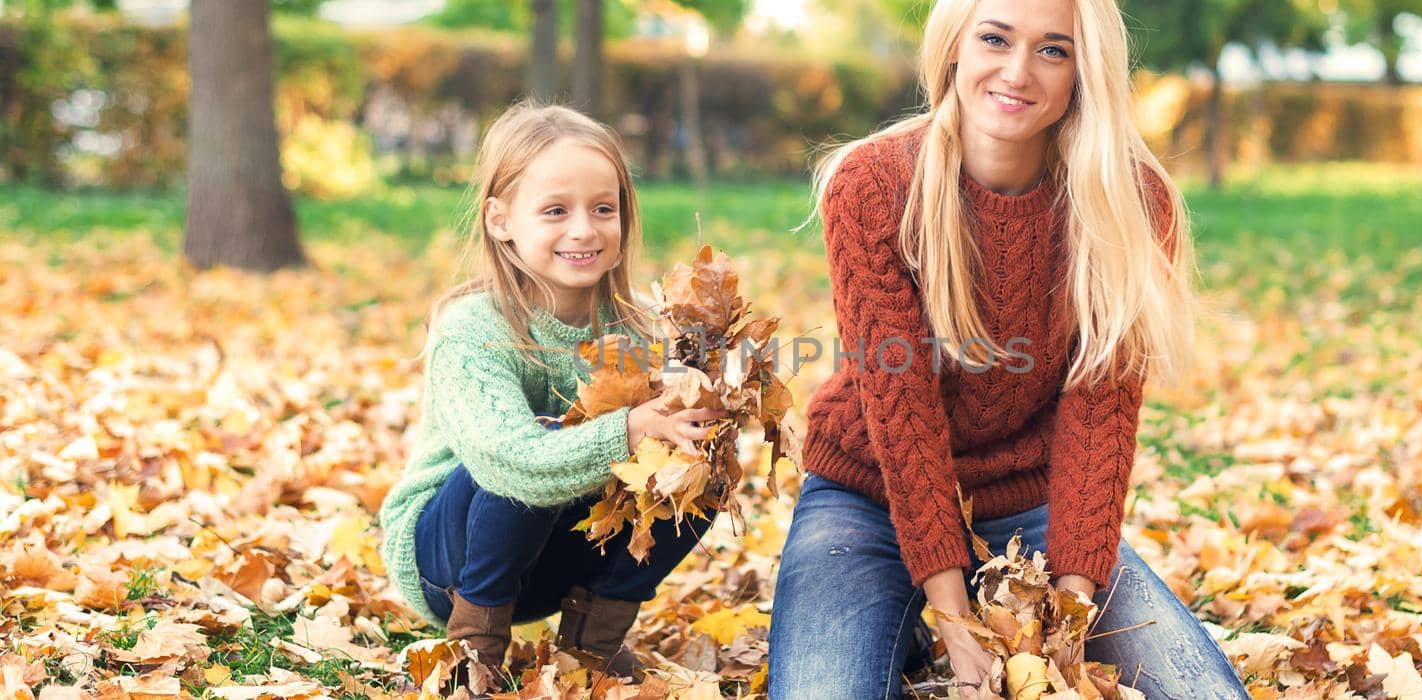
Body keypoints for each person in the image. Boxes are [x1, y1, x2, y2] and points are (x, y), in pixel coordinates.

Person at [767, 0, 1250, 698]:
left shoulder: (1130, 202)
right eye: (996, 38)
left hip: (1031, 507)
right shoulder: (873, 185)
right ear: (955, 43)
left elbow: (1099, 420)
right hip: (867, 494)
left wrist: (1069, 616)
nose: (1018, 71)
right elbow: (902, 414)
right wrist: (957, 622)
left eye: (1054, 50)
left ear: (1086, 69)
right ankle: (901, 622)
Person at [377, 101, 726, 688]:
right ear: (500, 219)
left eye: (603, 209)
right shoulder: (474, 329)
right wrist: (635, 427)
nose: (584, 230)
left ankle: (590, 644)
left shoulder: (639, 323)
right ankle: (474, 652)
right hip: (451, 563)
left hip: (554, 562)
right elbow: (513, 464)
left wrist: (708, 394)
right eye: (556, 211)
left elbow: (681, 422)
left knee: (699, 456)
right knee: (540, 436)